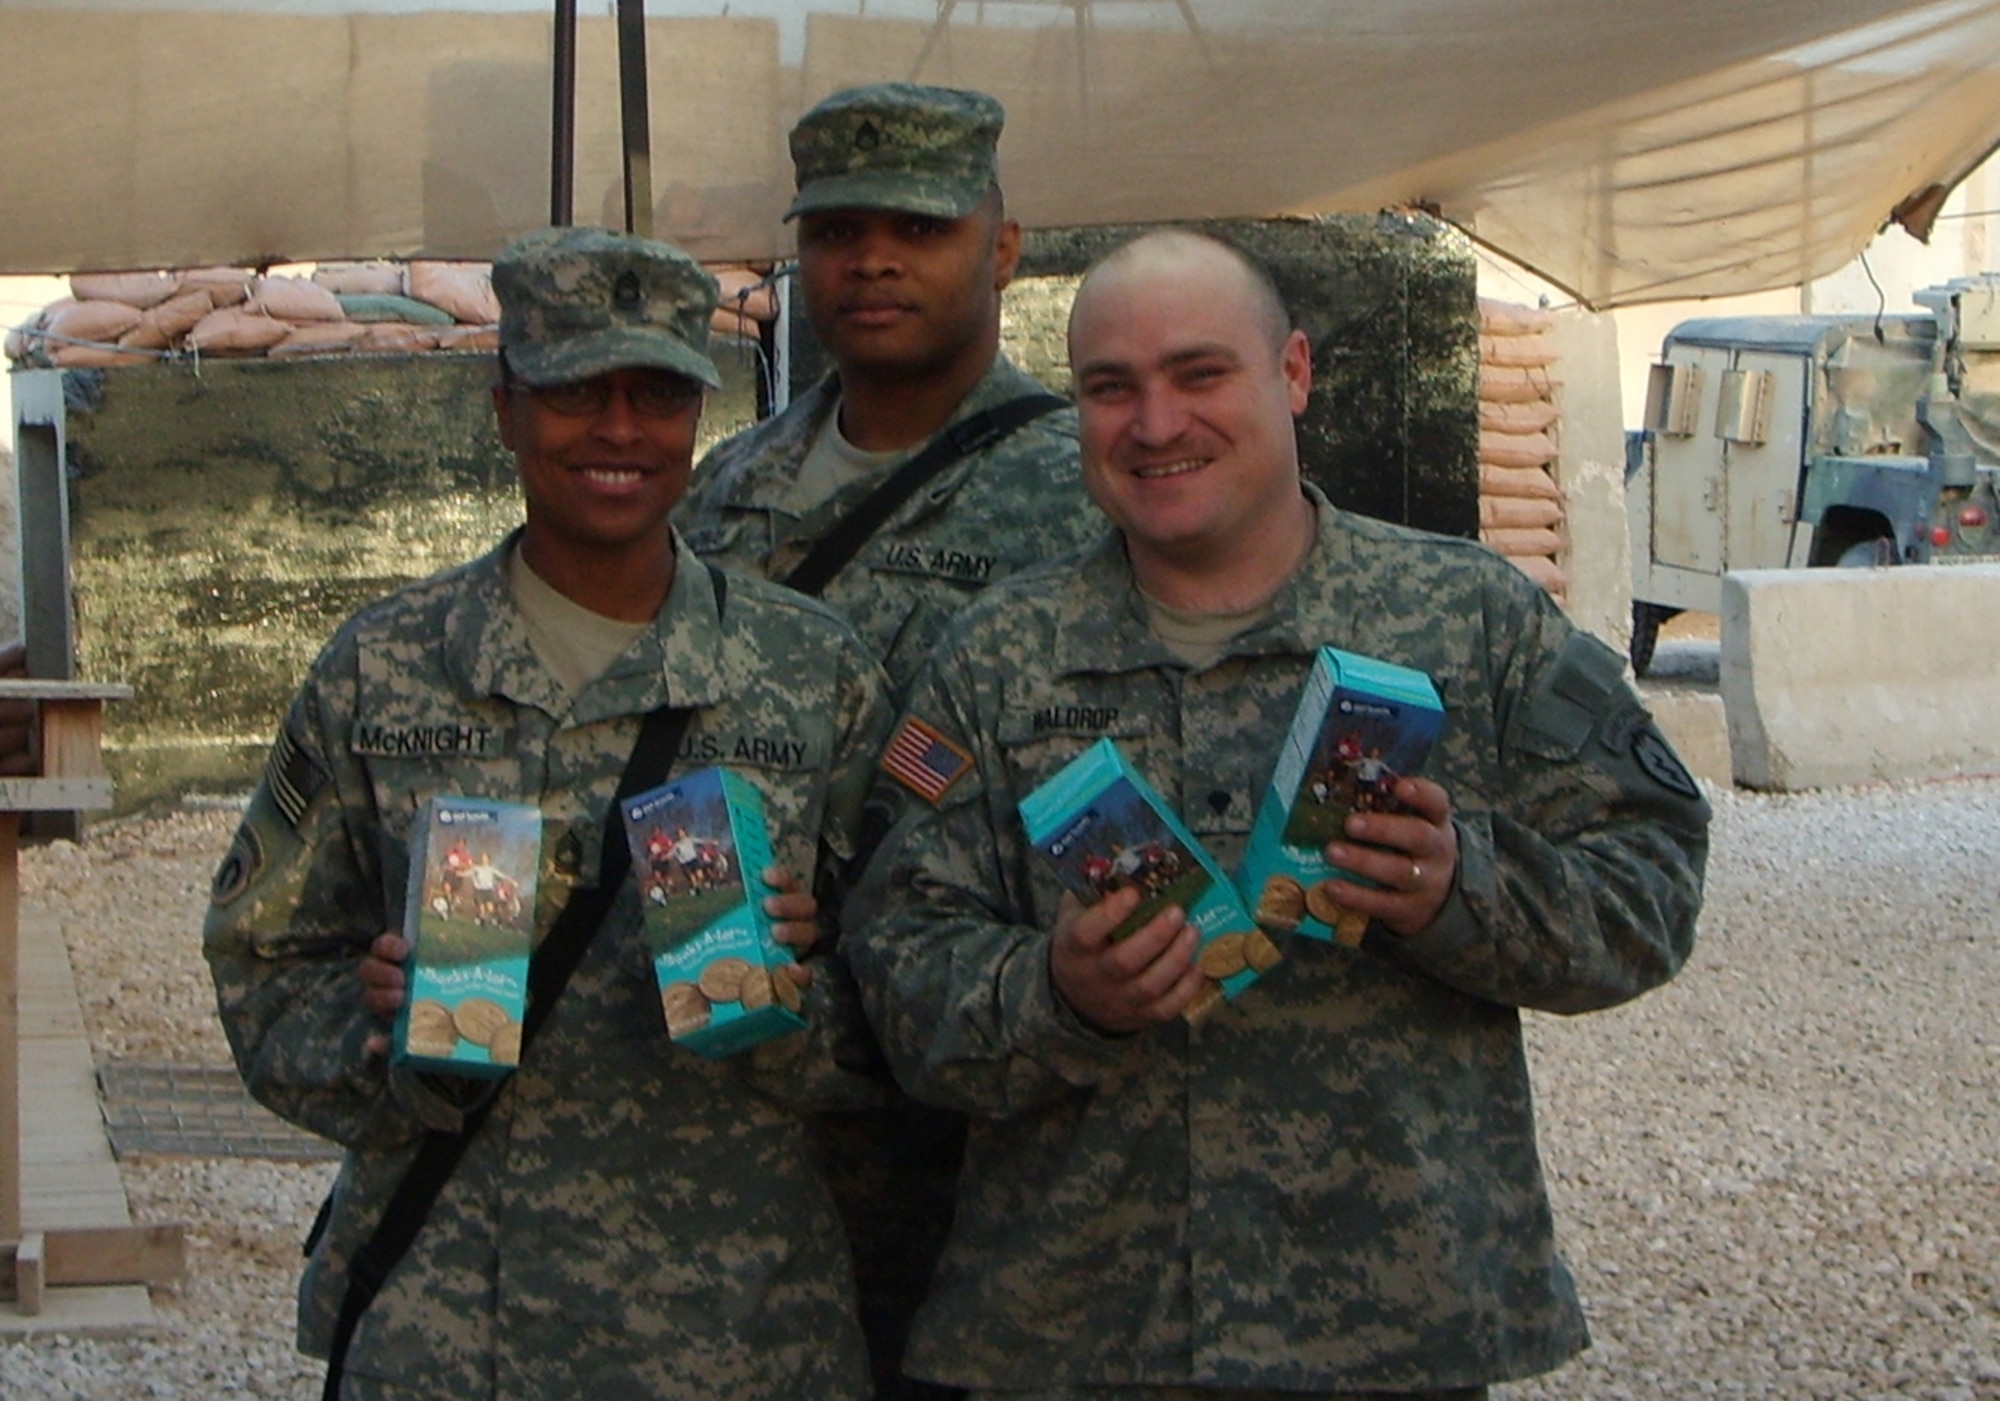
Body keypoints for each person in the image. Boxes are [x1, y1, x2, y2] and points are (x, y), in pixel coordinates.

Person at [845, 228, 1713, 1399]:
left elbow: (1650, 882)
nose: (1156, 426)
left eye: (1199, 374)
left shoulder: (1466, 622)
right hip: (1074, 1334)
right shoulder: (994, 660)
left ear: (1292, 374)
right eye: (1111, 389)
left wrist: (1460, 892)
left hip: (1386, 1331)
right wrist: (1057, 996)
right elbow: (894, 966)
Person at [203, 226, 894, 1400]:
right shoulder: (382, 670)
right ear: (505, 409)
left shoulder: (812, 674)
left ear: (698, 415)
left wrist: (795, 994)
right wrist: (383, 1030)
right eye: (573, 392)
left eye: (655, 395)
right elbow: (264, 967)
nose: (617, 431)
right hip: (446, 1327)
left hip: (737, 1336)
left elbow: (916, 976)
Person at [677, 81, 1103, 1400]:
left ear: (1005, 246)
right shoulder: (728, 489)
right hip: (754, 1095)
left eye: (917, 228)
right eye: (837, 228)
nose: (870, 261)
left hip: (992, 1114)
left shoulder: (1094, 484)